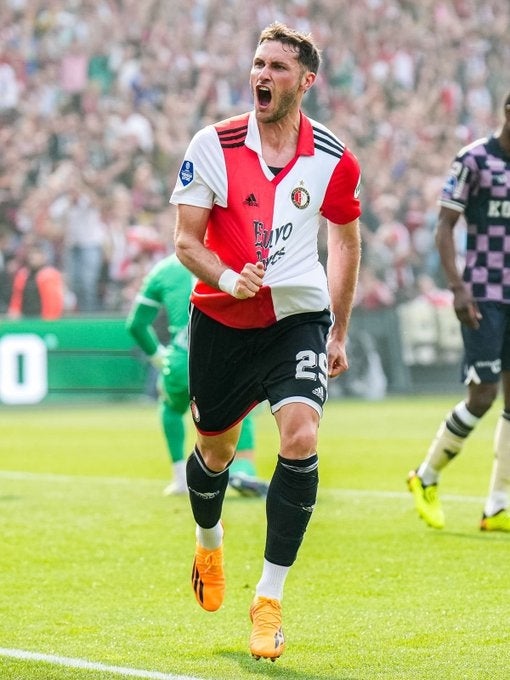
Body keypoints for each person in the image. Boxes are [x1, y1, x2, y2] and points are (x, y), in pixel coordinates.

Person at [170, 22, 361, 661]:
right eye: (258, 64)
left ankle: (269, 599)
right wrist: (229, 276)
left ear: (306, 82)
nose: (263, 76)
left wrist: (338, 327)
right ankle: (208, 540)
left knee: (301, 435)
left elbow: (343, 240)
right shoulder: (214, 143)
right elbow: (185, 241)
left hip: (296, 320)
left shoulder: (333, 157)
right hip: (222, 320)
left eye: (279, 67)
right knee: (217, 450)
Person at [407, 92, 510, 532]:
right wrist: (458, 288)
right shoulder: (473, 160)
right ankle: (425, 476)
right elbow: (445, 226)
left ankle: (498, 503)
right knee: (482, 397)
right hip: (483, 295)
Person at [126, 253, 268, 497]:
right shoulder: (234, 259)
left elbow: (135, 325)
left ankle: (180, 476)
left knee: (170, 408)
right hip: (224, 356)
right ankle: (243, 471)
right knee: (240, 412)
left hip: (181, 360)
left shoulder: (163, 269)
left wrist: (159, 358)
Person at [8, 241, 64, 320]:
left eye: (37, 254)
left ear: (44, 256)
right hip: (24, 318)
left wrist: (49, 320)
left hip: (43, 320)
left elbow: (53, 302)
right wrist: (14, 312)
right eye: (31, 254)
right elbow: (16, 297)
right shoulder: (22, 275)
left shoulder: (50, 275)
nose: (33, 257)